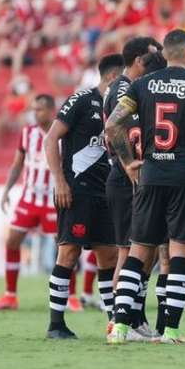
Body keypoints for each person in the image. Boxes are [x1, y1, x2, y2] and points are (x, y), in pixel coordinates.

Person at [106, 29, 185, 344]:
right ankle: (171, 330)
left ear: (166, 52)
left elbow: (112, 124)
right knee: (179, 251)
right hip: (184, 176)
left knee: (138, 250)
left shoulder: (141, 84)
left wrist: (128, 160)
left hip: (151, 174)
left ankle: (119, 327)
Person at [42, 54, 125, 339]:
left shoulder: (119, 107)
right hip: (76, 191)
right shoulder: (82, 99)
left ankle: (114, 322)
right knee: (69, 252)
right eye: (123, 80)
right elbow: (51, 138)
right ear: (114, 77)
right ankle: (56, 324)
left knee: (108, 255)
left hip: (105, 192)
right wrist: (59, 181)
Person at [0, 95, 82, 311]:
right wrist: (7, 190)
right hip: (29, 198)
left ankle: (73, 297)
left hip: (53, 200)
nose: (35, 113)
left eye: (39, 109)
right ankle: (10, 295)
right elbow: (17, 164)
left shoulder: (63, 134)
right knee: (12, 241)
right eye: (33, 109)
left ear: (50, 111)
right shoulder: (27, 133)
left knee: (66, 247)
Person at [103, 36, 165, 340]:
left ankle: (134, 318)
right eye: (153, 58)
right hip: (127, 178)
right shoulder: (126, 89)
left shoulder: (120, 87)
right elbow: (116, 130)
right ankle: (119, 321)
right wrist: (129, 165)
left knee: (142, 253)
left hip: (134, 178)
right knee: (129, 254)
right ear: (140, 59)